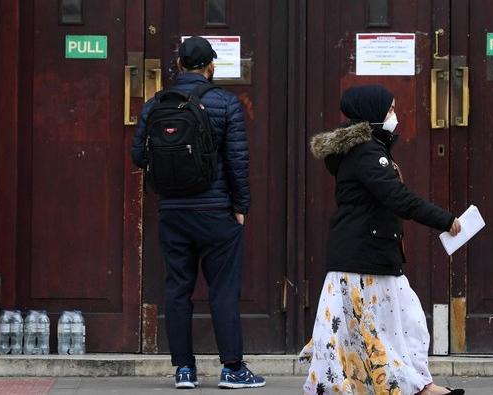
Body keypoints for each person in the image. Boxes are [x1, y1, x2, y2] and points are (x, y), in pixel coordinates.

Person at [299, 85, 465, 395]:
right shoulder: (366, 152)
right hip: (362, 257)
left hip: (369, 255)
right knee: (382, 326)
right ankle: (411, 386)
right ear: (372, 113)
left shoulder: (367, 148)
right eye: (389, 110)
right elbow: (398, 198)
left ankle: (416, 383)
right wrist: (446, 220)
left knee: (400, 322)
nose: (394, 115)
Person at [131, 36, 265, 390]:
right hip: (216, 211)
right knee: (222, 290)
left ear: (177, 66)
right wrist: (240, 207)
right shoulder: (225, 103)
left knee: (177, 290)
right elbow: (238, 161)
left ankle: (184, 371)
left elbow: (138, 156)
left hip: (173, 213)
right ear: (211, 66)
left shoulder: (155, 104)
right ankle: (233, 369)